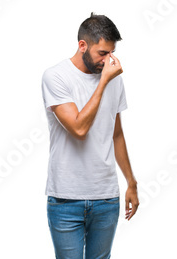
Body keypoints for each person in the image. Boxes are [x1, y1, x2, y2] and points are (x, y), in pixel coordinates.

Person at [40, 12, 140, 259]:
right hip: (66, 198)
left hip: (106, 197)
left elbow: (116, 134)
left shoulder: (112, 78)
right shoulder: (56, 76)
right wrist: (104, 82)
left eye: (111, 53)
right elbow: (78, 128)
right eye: (102, 53)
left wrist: (131, 181)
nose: (108, 60)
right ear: (82, 45)